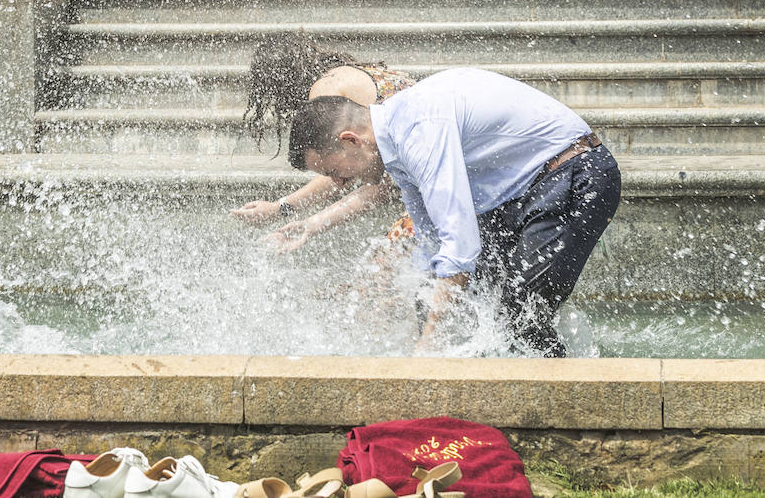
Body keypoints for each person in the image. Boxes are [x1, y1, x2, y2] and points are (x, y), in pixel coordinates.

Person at [285, 67, 621, 357]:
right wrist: (420, 296)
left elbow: (460, 247)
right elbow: (434, 240)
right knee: (440, 296)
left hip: (573, 173)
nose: (339, 184)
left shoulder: (419, 131)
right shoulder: (398, 145)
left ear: (350, 140)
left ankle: (557, 404)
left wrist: (426, 350)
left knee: (520, 311)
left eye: (333, 170)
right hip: (520, 193)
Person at [231, 31, 415, 251]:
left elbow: (341, 170)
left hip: (431, 180)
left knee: (380, 273)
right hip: (435, 167)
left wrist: (281, 208)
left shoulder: (325, 96)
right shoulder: (347, 74)